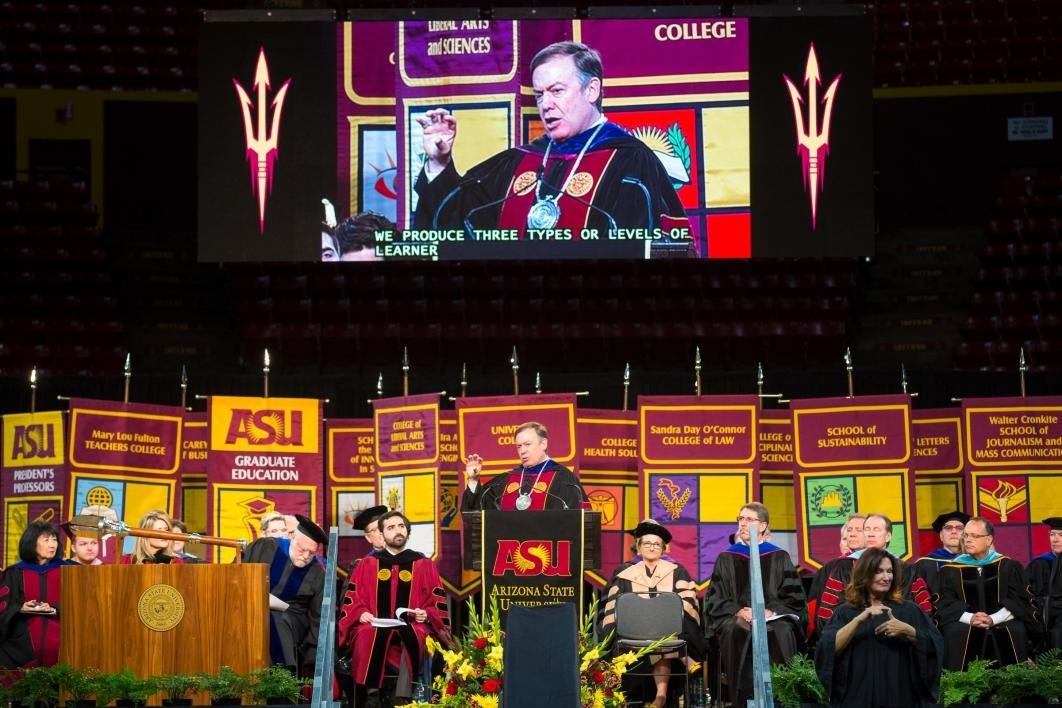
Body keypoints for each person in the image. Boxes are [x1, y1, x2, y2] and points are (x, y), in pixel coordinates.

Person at [413, 41, 691, 242]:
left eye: (557, 91)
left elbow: (652, 246)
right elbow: (455, 223)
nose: (545, 104)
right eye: (539, 95)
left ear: (591, 90)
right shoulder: (520, 161)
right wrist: (439, 163)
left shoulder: (630, 161)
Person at [337, 510, 451, 708]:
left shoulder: (423, 564)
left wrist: (427, 613)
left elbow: (436, 602)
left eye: (401, 526)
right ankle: (370, 693)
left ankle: (403, 694)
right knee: (366, 633)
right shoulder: (367, 564)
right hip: (374, 622)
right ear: (381, 535)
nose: (397, 531)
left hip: (412, 623)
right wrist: (360, 612)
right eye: (391, 527)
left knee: (416, 633)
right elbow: (353, 599)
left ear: (407, 531)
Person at [815, 547, 943, 708]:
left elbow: (935, 645)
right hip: (857, 696)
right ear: (864, 574)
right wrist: (858, 620)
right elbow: (828, 649)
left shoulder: (909, 610)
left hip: (901, 696)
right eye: (879, 571)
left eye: (889, 571)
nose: (886, 577)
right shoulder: (845, 612)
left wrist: (908, 630)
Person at [706, 503, 805, 706]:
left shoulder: (780, 556)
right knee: (737, 629)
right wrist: (738, 611)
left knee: (781, 629)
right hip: (737, 617)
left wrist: (771, 611)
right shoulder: (726, 557)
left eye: (749, 519)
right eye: (740, 519)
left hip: (772, 617)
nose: (743, 523)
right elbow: (715, 597)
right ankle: (741, 699)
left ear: (762, 526)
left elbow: (793, 598)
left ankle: (782, 699)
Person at [599, 519, 704, 708]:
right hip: (631, 633)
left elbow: (688, 605)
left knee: (664, 628)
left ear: (664, 548)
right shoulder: (623, 572)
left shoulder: (677, 572)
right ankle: (681, 661)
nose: (652, 547)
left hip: (666, 632)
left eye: (657, 544)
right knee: (659, 632)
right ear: (638, 546)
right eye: (647, 543)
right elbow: (612, 608)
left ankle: (661, 696)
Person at [936, 516, 1039, 670]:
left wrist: (993, 619)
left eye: (974, 536)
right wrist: (971, 618)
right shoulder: (950, 570)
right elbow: (945, 603)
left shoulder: (1008, 566)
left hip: (1002, 619)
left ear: (989, 540)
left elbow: (1018, 601)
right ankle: (962, 689)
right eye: (966, 535)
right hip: (965, 622)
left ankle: (1014, 689)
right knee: (955, 632)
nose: (968, 540)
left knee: (1015, 630)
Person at [242, 514, 326, 670]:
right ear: (292, 537)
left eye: (312, 553)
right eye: (302, 549)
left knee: (273, 618)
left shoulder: (317, 573)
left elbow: (317, 615)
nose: (306, 556)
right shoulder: (264, 547)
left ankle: (283, 676)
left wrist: (313, 653)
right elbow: (235, 575)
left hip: (292, 619)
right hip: (249, 608)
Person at [460, 421, 586, 511]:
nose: (522, 451)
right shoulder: (506, 480)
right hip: (510, 547)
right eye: (519, 446)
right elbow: (477, 508)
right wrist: (473, 480)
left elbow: (577, 521)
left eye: (527, 444)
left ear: (543, 444)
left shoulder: (564, 479)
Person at [0, 521, 75, 668]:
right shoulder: (15, 572)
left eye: (54, 539)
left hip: (63, 634)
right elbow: (4, 608)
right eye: (46, 540)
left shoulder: (69, 571)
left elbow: (79, 605)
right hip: (22, 637)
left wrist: (54, 609)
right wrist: (21, 608)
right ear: (31, 543)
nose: (52, 544)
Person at [908, 510, 969, 597]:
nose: (954, 531)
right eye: (948, 528)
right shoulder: (924, 563)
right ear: (941, 536)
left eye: (959, 528)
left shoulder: (974, 561)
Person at [1028, 516, 1062, 650]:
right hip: (1044, 614)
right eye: (1052, 534)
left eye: (1060, 535)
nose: (1055, 539)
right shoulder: (1039, 563)